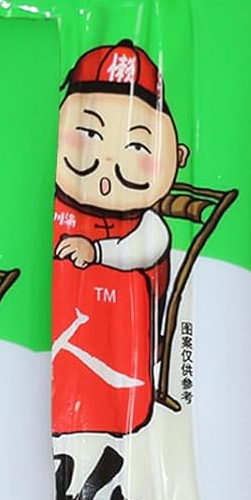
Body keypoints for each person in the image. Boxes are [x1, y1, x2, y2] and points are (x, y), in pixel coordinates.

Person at [51, 40, 189, 437]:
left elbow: (148, 246)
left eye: (137, 145)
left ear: (177, 156)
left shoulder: (145, 224)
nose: (108, 159)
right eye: (88, 134)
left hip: (121, 327)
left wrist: (96, 251)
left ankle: (110, 419)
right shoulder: (54, 203)